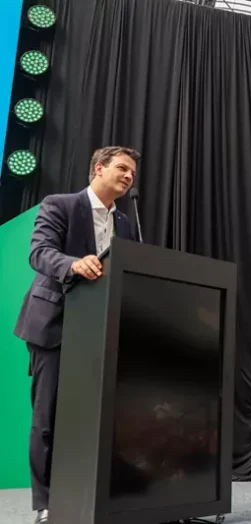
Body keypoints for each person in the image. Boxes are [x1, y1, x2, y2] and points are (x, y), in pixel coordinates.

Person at [14, 146, 140, 524]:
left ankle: (96, 493)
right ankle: (47, 503)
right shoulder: (60, 205)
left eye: (133, 173)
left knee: (99, 417)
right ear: (98, 169)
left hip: (102, 331)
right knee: (48, 417)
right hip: (54, 325)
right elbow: (40, 253)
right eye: (122, 168)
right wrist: (73, 264)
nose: (129, 176)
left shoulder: (127, 224)